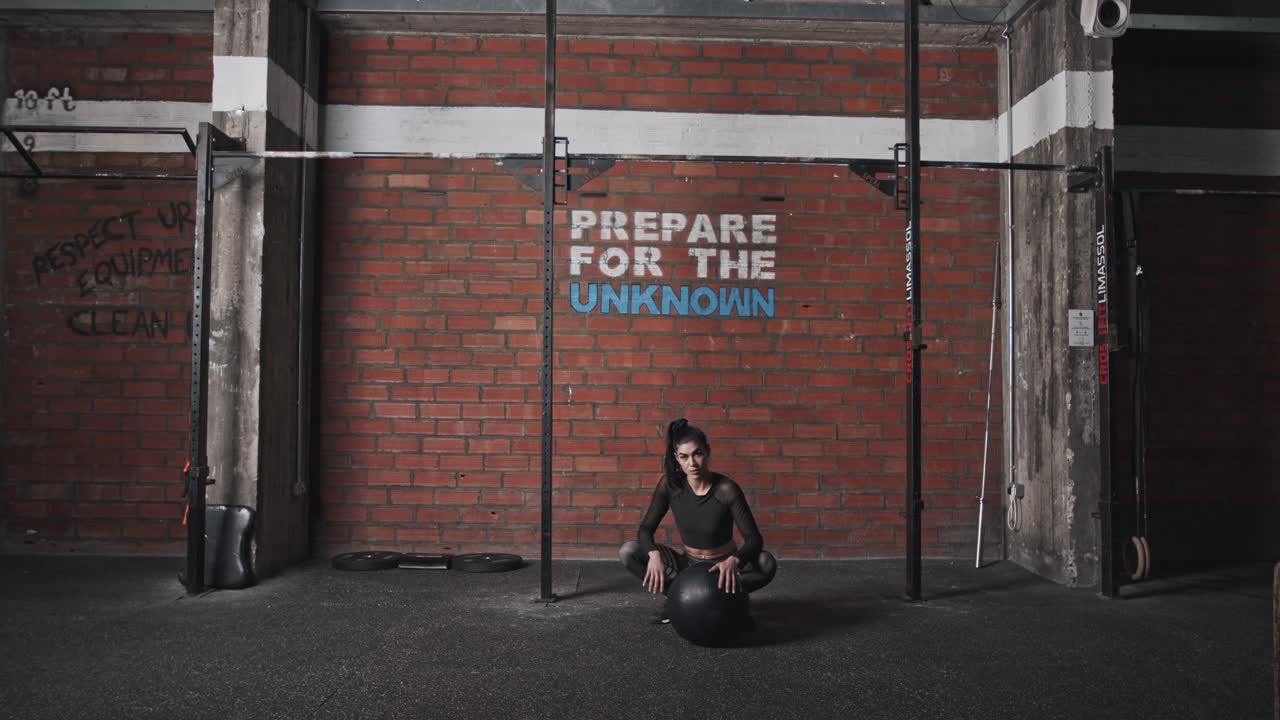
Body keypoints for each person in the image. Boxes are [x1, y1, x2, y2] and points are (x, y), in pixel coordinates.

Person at [619, 418, 777, 624]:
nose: (691, 463)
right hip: (688, 565)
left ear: (707, 451)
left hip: (722, 566)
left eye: (697, 454)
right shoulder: (670, 485)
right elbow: (645, 529)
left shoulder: (726, 489)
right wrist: (654, 554)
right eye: (684, 457)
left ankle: (733, 600)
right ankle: (677, 597)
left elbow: (754, 539)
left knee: (766, 563)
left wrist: (733, 561)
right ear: (676, 457)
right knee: (628, 551)